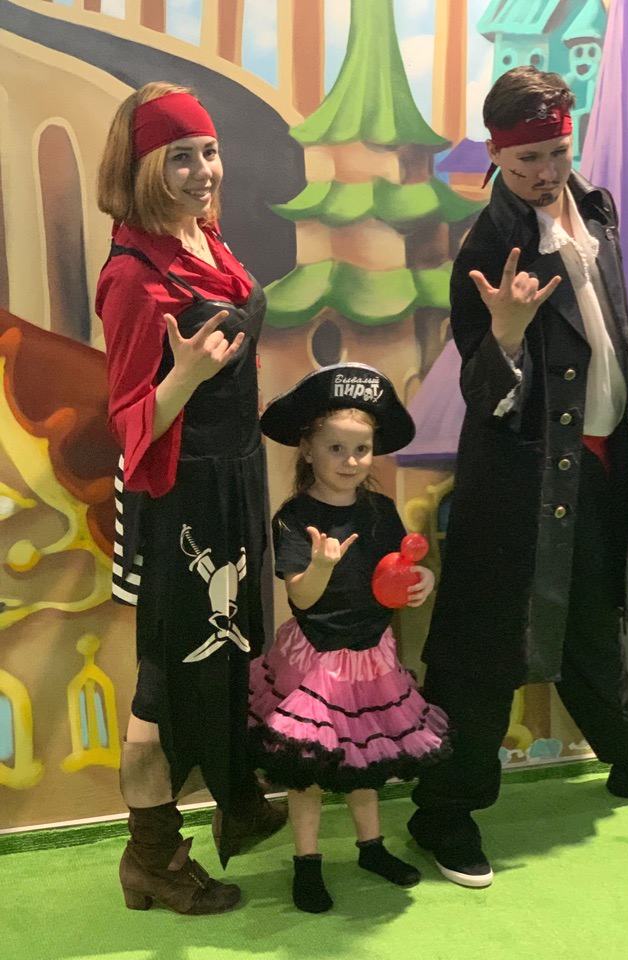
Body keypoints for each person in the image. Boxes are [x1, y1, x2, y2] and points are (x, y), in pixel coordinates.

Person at [408, 66, 628, 890]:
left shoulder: (596, 209)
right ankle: (442, 812)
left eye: (555, 152)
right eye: (526, 161)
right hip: (519, 479)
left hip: (600, 461)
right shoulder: (487, 247)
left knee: (591, 622)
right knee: (483, 646)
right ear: (496, 156)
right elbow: (485, 397)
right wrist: (505, 336)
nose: (545, 173)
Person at [96, 81, 286, 915]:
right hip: (174, 501)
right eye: (180, 157)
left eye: (208, 151)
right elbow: (129, 421)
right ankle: (152, 858)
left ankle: (236, 800)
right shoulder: (132, 276)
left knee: (228, 652)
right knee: (162, 685)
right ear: (142, 168)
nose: (204, 170)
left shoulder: (202, 237)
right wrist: (184, 376)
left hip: (229, 484)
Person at [251, 363, 449, 913]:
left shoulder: (380, 510)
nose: (350, 461)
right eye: (335, 448)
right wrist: (320, 564)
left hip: (372, 658)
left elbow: (399, 570)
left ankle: (371, 848)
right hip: (316, 663)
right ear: (308, 450)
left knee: (365, 761)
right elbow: (302, 598)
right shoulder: (295, 517)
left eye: (361, 449)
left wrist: (422, 581)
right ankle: (307, 863)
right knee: (309, 772)